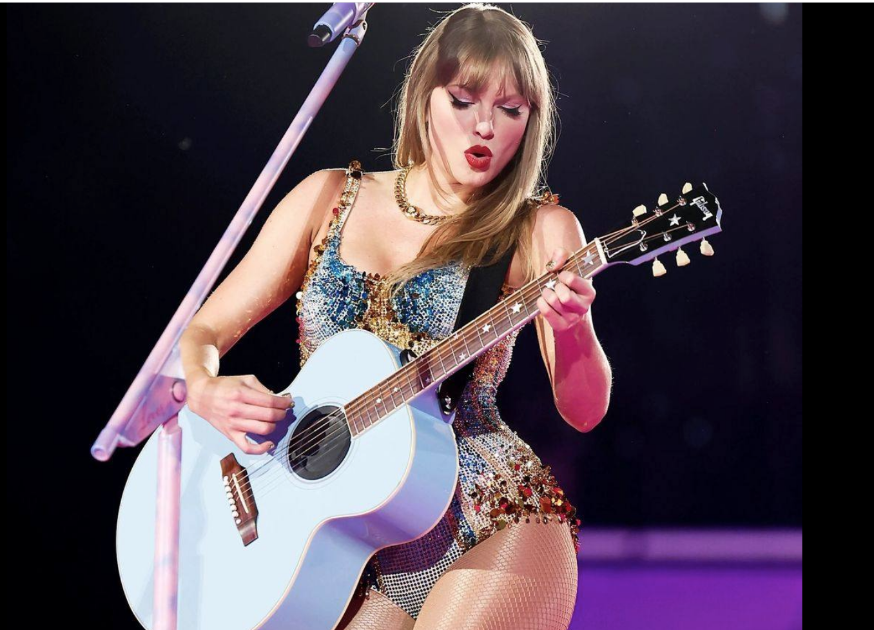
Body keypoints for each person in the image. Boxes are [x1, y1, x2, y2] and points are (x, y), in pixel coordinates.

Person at [180, 4, 612, 629]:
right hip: (349, 538)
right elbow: (201, 333)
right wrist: (204, 387)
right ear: (424, 97)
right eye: (463, 100)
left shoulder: (539, 227)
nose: (485, 126)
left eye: (510, 110)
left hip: (485, 516)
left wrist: (573, 329)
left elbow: (584, 410)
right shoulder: (328, 198)